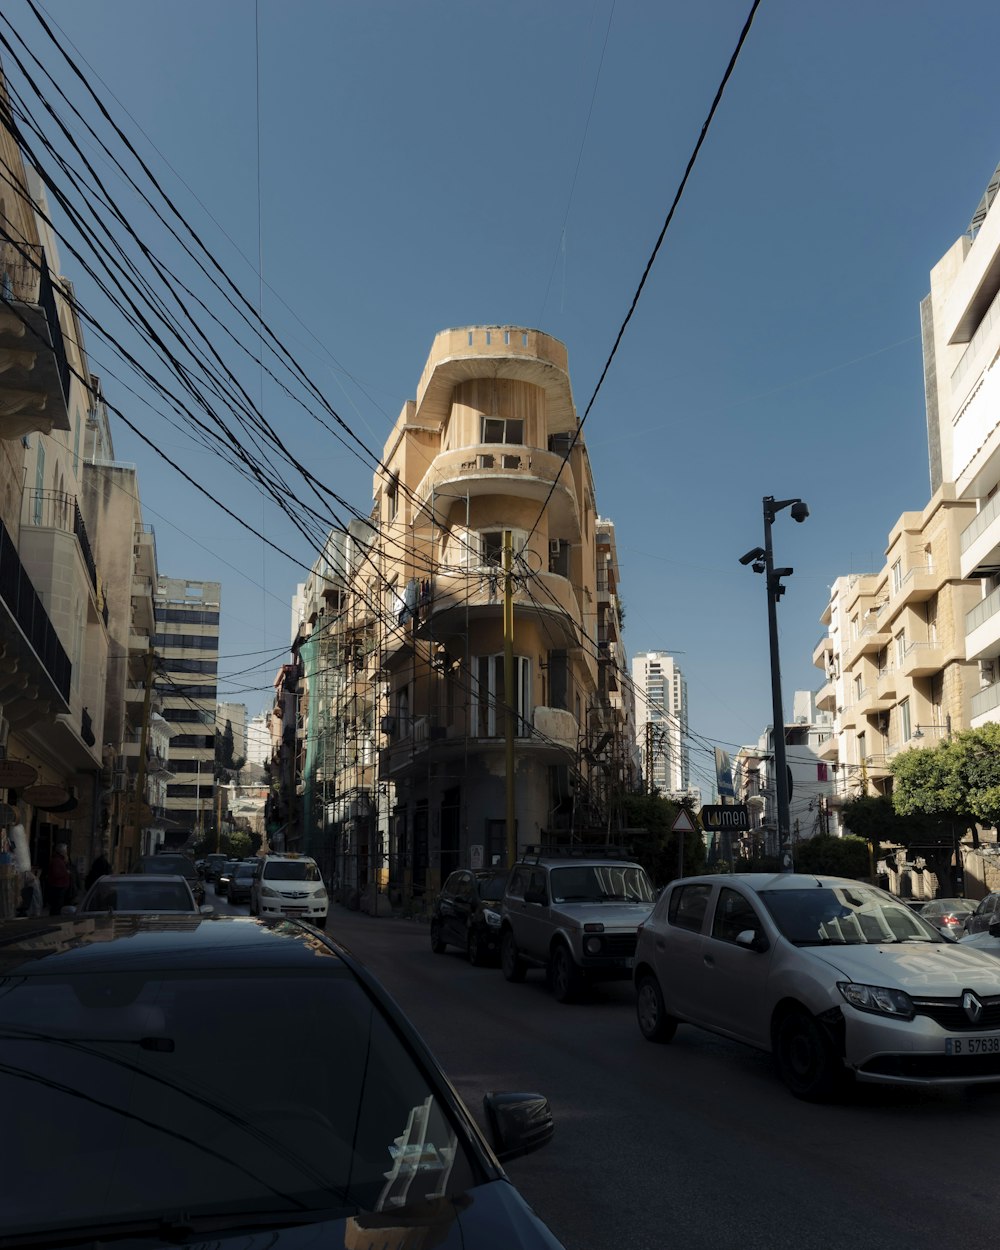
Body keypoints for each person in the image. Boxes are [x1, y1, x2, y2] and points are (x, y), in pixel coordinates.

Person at [44, 843, 71, 915]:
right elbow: (56, 874)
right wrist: (66, 873)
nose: (66, 852)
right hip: (58, 887)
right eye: (65, 850)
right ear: (62, 851)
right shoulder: (56, 860)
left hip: (61, 886)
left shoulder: (61, 860)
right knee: (56, 906)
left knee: (58, 906)